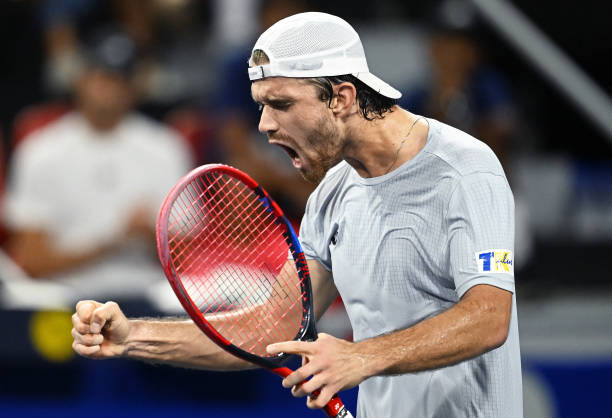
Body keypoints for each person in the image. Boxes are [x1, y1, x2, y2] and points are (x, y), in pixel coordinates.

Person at [71, 12, 522, 417]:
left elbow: (488, 317)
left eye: (281, 104)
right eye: (260, 105)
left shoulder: (464, 170)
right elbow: (270, 327)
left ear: (342, 97)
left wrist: (360, 356)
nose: (264, 124)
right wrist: (134, 336)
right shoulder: (333, 193)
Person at [3, 31, 192, 299]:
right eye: (101, 77)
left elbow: (187, 258)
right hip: (66, 294)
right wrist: (113, 240)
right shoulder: (40, 151)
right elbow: (33, 260)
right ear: (80, 79)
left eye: (120, 80)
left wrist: (151, 235)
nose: (109, 89)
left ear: (135, 86)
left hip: (147, 291)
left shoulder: (166, 147)